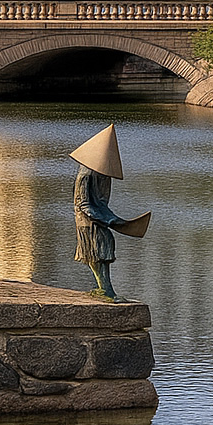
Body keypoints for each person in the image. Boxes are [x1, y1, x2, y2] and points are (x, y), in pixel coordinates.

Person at [71, 124, 150, 302]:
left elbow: (101, 202)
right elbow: (83, 203)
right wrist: (109, 220)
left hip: (98, 219)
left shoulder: (102, 173)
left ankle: (105, 288)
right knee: (98, 249)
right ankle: (105, 289)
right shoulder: (86, 174)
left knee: (105, 246)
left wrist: (113, 218)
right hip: (87, 222)